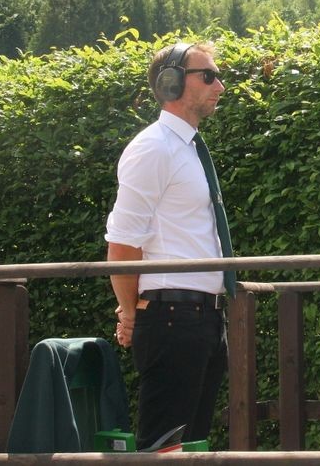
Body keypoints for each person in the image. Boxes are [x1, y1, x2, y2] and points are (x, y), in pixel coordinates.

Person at [107, 41, 233, 449]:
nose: (221, 85)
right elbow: (123, 244)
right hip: (173, 318)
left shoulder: (186, 147)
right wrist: (130, 312)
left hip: (202, 319)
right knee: (163, 448)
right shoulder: (153, 148)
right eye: (209, 76)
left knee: (191, 447)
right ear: (171, 82)